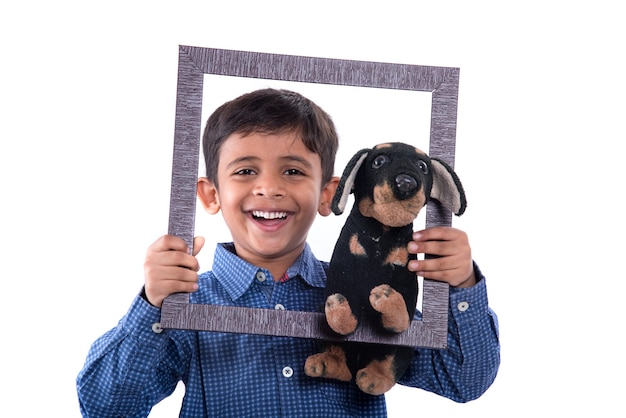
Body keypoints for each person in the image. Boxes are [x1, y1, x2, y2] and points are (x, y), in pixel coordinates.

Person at [76, 88, 500, 417]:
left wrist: (461, 285)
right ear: (210, 194)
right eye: (245, 171)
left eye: (293, 171)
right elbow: (105, 407)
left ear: (328, 194)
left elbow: (465, 377)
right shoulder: (190, 305)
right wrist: (152, 305)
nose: (269, 188)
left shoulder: (369, 291)